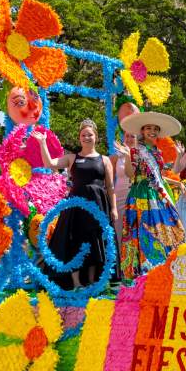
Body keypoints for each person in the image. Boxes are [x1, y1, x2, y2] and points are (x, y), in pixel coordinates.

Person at [32, 119, 117, 289]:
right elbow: (49, 163)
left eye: (90, 134)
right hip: (76, 207)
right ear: (79, 138)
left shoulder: (105, 160)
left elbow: (110, 186)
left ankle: (93, 281)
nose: (87, 137)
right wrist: (42, 143)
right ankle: (77, 282)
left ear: (96, 137)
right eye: (83, 135)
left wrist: (113, 208)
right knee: (75, 242)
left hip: (98, 205)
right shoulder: (72, 158)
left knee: (95, 241)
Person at [119, 111, 185, 278]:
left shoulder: (157, 151)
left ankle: (163, 267)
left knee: (166, 227)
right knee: (143, 231)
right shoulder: (135, 150)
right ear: (142, 131)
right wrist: (127, 156)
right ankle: (142, 272)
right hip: (141, 195)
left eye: (155, 129)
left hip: (156, 195)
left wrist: (177, 180)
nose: (152, 131)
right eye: (148, 128)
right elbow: (131, 174)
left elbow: (159, 177)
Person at [110, 131, 137, 247]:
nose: (129, 139)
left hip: (136, 196)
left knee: (134, 227)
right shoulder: (116, 157)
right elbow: (109, 180)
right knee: (118, 227)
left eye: (133, 136)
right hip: (119, 197)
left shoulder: (141, 155)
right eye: (127, 136)